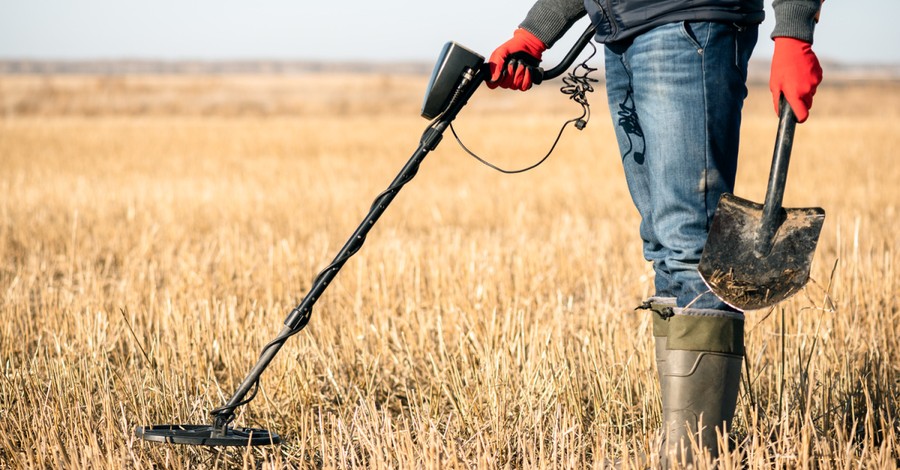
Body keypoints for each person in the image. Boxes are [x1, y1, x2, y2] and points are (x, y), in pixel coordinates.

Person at [486, 0, 823, 466]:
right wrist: (534, 33)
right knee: (664, 247)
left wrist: (794, 28)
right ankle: (682, 446)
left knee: (691, 248)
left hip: (688, 22)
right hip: (622, 34)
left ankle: (692, 457)